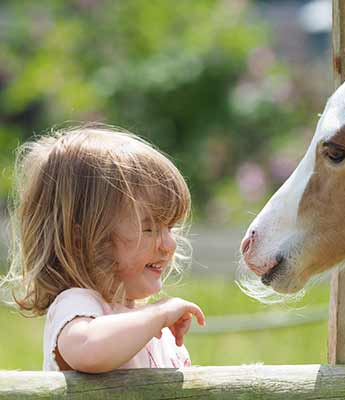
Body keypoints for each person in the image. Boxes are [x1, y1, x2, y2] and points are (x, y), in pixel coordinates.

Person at [1, 125, 205, 372]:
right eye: (149, 229)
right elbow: (88, 349)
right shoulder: (79, 305)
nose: (169, 245)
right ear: (83, 240)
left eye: (170, 228)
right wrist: (158, 314)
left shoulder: (145, 323)